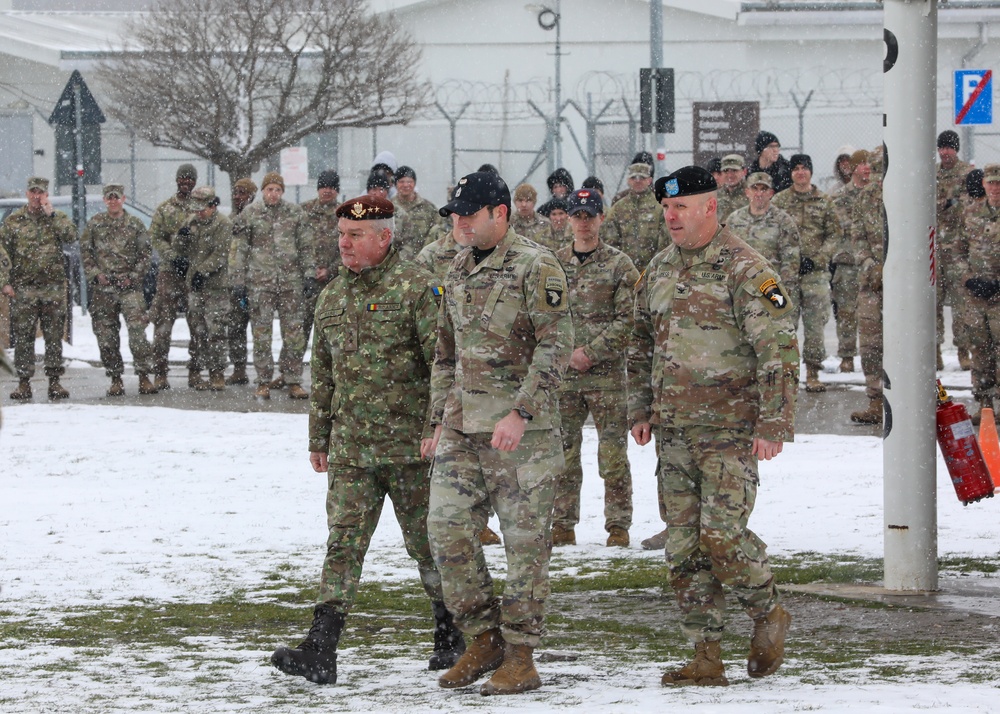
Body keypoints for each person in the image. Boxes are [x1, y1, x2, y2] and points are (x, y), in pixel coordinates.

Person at [271, 194, 462, 685]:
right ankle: (321, 646)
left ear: (385, 236)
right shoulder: (332, 296)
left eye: (356, 236)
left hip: (410, 449)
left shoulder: (419, 289)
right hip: (353, 450)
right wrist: (320, 437)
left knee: (426, 545)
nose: (345, 245)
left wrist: (434, 429)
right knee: (343, 544)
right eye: (341, 236)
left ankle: (452, 635)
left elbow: (442, 367)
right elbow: (326, 374)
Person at [628, 165, 797, 687]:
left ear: (710, 207)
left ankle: (768, 611)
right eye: (666, 208)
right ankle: (707, 655)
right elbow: (639, 342)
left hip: (729, 431)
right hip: (674, 431)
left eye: (681, 207)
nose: (671, 217)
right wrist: (639, 409)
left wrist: (775, 422)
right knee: (683, 550)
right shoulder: (656, 269)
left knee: (721, 538)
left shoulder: (746, 269)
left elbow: (779, 349)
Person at [425, 171, 573, 695]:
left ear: (501, 214)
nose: (460, 223)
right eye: (456, 215)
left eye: (471, 214)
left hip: (521, 437)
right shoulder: (458, 267)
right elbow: (447, 353)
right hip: (463, 429)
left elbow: (557, 347)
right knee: (445, 531)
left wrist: (522, 412)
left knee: (524, 549)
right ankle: (483, 637)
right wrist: (440, 418)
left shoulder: (536, 266)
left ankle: (521, 656)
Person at [552, 189, 639, 548]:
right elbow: (545, 316)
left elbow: (629, 319)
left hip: (606, 378)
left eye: (590, 215)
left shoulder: (620, 265)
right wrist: (567, 352)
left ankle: (618, 525)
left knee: (613, 454)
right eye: (578, 216)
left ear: (601, 218)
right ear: (568, 219)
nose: (584, 223)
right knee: (564, 453)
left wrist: (592, 351)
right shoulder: (552, 264)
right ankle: (562, 523)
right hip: (565, 378)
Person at [230, 171, 311, 400]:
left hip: (290, 283)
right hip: (260, 284)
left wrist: (309, 275)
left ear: (282, 192)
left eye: (277, 190)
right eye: (269, 189)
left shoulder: (295, 214)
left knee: (294, 334)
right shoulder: (251, 213)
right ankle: (263, 380)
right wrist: (238, 281)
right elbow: (241, 248)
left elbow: (305, 246)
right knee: (262, 334)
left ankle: (293, 379)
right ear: (263, 191)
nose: (273, 194)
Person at [1, 176, 77, 401]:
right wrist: (4, 281)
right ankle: (24, 383)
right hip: (24, 289)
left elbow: (70, 236)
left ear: (46, 195)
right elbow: (3, 253)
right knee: (24, 337)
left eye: (41, 193)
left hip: (52, 288)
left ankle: (55, 382)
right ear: (27, 193)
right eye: (33, 192)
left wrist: (51, 214)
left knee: (54, 337)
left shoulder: (56, 218)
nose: (37, 196)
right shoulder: (14, 221)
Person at [772, 154, 844, 392]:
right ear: (791, 173)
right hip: (787, 275)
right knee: (785, 325)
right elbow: (773, 233)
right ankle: (788, 373)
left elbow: (834, 234)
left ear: (811, 172)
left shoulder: (824, 201)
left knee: (814, 325)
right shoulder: (780, 202)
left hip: (815, 274)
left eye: (804, 168)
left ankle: (813, 372)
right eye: (796, 168)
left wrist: (818, 259)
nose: (800, 172)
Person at [80, 183, 156, 397]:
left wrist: (133, 277)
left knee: (138, 335)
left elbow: (145, 254)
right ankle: (115, 378)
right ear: (105, 200)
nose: (113, 201)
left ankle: (144, 376)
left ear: (123, 199)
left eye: (116, 197)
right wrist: (96, 274)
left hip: (129, 288)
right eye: (109, 197)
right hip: (104, 290)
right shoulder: (95, 224)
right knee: (106, 336)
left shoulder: (135, 224)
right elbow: (86, 253)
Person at [955, 163, 1000, 425]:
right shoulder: (970, 214)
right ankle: (984, 404)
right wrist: (969, 279)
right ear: (983, 185)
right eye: (991, 183)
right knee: (980, 349)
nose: (995, 188)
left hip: (998, 295)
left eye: (998, 183)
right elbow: (957, 251)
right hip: (975, 296)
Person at [149, 163, 199, 391]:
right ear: (177, 180)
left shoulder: (201, 208)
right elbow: (156, 237)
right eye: (183, 178)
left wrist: (192, 261)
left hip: (194, 273)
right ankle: (160, 372)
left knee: (198, 324)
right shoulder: (165, 209)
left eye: (190, 178)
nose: (186, 182)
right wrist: (172, 256)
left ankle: (196, 371)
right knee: (163, 324)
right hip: (169, 273)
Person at [176, 187, 231, 392]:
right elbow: (180, 249)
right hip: (195, 287)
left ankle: (217, 373)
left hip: (216, 286)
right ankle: (197, 370)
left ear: (212, 206)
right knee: (197, 331)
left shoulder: (223, 224)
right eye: (196, 209)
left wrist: (203, 271)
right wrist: (181, 238)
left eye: (203, 209)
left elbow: (220, 253)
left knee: (216, 330)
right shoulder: (191, 222)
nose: (199, 213)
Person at [725, 172, 802, 308]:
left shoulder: (783, 220)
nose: (759, 194)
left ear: (771, 193)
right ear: (747, 192)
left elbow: (791, 257)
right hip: (741, 289)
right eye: (755, 188)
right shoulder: (734, 219)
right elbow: (725, 254)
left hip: (772, 287)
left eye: (763, 189)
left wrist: (782, 290)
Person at [849, 148, 886, 425]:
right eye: (875, 170)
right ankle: (875, 401)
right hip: (871, 284)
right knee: (871, 344)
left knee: (907, 342)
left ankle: (912, 400)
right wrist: (872, 266)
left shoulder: (907, 197)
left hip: (903, 284)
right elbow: (857, 238)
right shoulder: (864, 199)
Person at [830, 149, 873, 373]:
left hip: (873, 264)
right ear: (853, 168)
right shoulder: (840, 198)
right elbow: (841, 228)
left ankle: (874, 356)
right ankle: (847, 355)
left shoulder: (878, 196)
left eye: (869, 163)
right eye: (861, 163)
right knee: (846, 313)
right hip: (848, 263)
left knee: (873, 314)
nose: (866, 167)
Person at [936, 130, 974, 371]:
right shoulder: (932, 174)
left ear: (956, 149)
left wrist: (949, 204)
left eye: (949, 148)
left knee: (962, 303)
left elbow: (968, 204)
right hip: (934, 249)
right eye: (942, 148)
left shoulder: (967, 174)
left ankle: (963, 350)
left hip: (959, 249)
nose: (945, 152)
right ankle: (935, 350)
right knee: (933, 303)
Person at [599, 160, 667, 271]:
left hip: (654, 270)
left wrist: (655, 266)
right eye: (634, 178)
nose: (638, 181)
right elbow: (610, 240)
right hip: (625, 270)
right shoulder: (618, 208)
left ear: (649, 181)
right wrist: (621, 265)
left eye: (642, 178)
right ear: (628, 181)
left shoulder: (660, 207)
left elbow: (665, 242)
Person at [299, 170, 340, 346]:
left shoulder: (343, 213)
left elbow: (349, 248)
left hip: (334, 281)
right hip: (307, 280)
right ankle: (291, 371)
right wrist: (309, 269)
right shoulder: (303, 211)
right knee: (299, 329)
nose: (327, 190)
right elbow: (297, 243)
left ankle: (331, 371)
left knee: (331, 328)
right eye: (323, 186)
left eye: (332, 187)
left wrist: (330, 270)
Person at [225, 177, 258, 386]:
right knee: (235, 328)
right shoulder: (230, 219)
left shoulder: (257, 218)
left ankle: (264, 373)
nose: (238, 197)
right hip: (234, 283)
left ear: (251, 196)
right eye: (236, 193)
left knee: (260, 330)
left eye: (242, 193)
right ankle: (239, 369)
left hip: (256, 282)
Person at [393, 166, 439, 259]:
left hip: (423, 260)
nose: (406, 185)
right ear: (396, 184)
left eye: (409, 181)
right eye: (401, 182)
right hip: (396, 263)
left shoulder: (428, 208)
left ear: (414, 183)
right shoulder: (389, 208)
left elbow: (438, 231)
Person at [715, 154, 749, 223]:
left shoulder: (752, 194)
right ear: (721, 173)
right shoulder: (715, 196)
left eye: (734, 170)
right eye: (726, 171)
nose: (730, 175)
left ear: (744, 172)